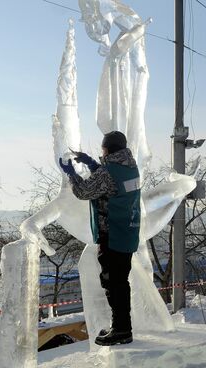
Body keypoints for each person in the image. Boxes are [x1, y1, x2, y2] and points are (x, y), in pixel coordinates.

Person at [59, 131, 141, 345]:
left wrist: (72, 174)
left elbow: (85, 192)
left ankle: (122, 330)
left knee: (114, 284)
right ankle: (121, 326)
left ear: (108, 149)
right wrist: (91, 163)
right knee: (120, 282)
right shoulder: (130, 166)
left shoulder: (107, 173)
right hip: (127, 232)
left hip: (112, 235)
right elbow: (109, 182)